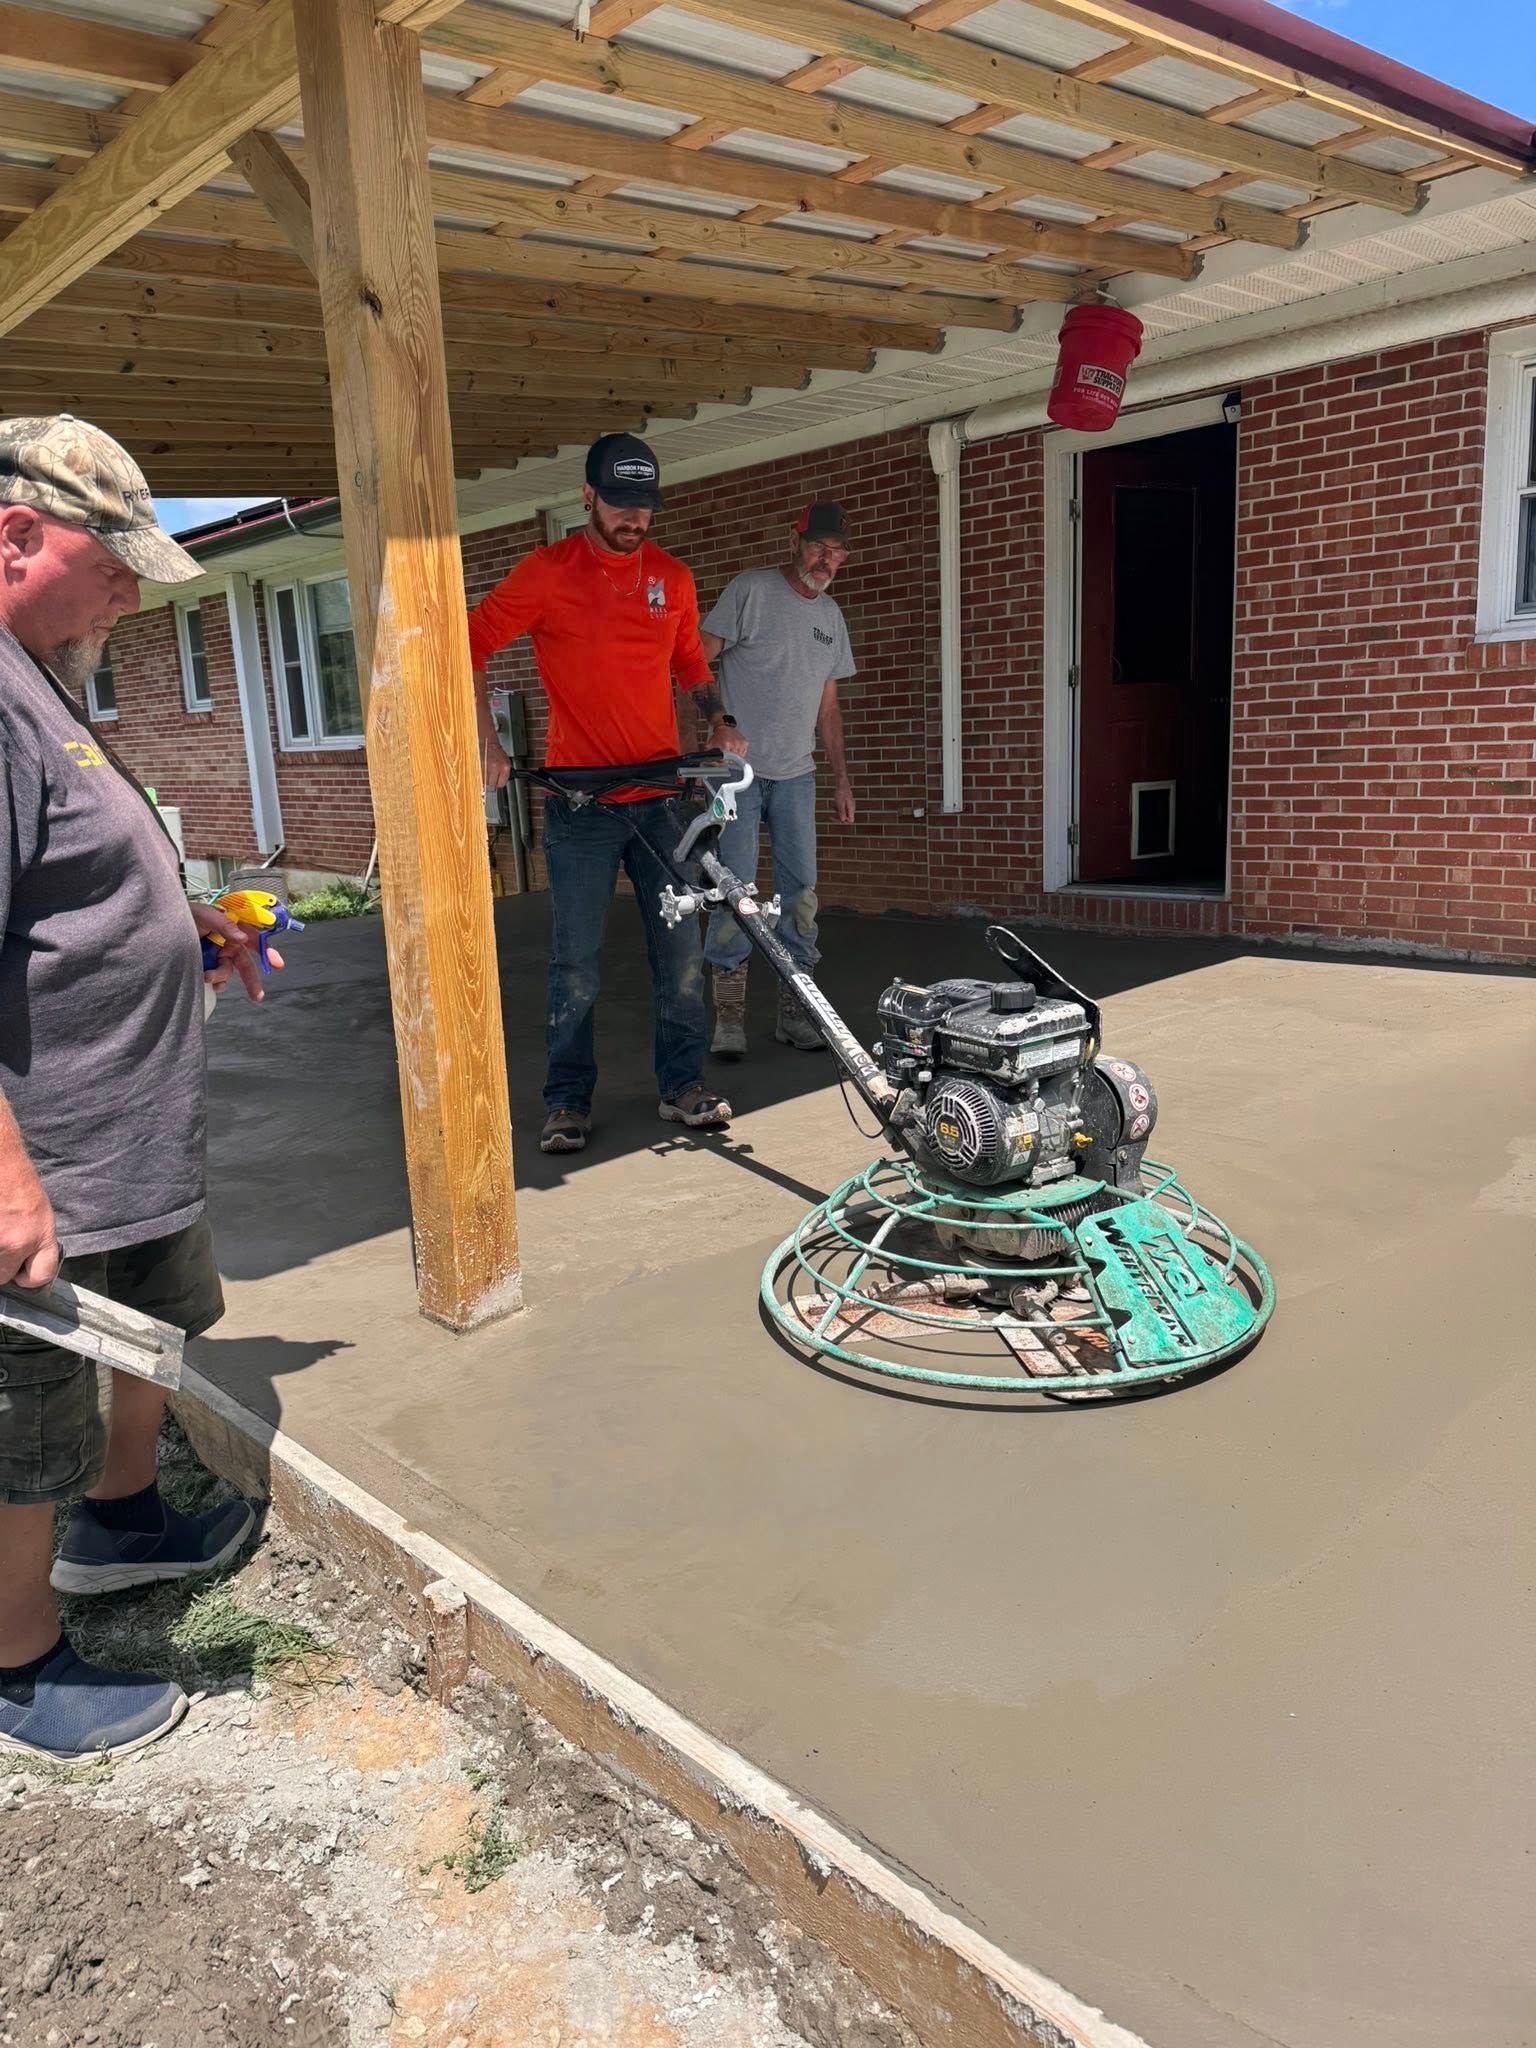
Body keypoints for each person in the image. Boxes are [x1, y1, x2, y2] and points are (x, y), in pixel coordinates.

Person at [0, 415, 266, 1766]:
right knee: (25, 1415)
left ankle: (121, 1527)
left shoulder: (42, 678)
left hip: (130, 1138)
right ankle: (18, 1663)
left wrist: (187, 924)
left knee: (154, 1330)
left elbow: (73, 882)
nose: (131, 592)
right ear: (17, 535)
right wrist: (2, 1179)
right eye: (115, 564)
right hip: (46, 1154)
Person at [468, 433, 745, 1155]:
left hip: (660, 798)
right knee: (576, 963)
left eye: (644, 508)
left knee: (679, 952)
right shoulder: (547, 572)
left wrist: (717, 717)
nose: (634, 520)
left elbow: (689, 661)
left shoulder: (672, 578)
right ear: (587, 496)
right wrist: (486, 740)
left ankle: (682, 1086)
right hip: (581, 806)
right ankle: (566, 1100)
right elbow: (468, 642)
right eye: (620, 505)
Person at [699, 500, 856, 1056]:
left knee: (802, 892)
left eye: (836, 550)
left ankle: (796, 1011)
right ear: (797, 542)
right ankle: (729, 1016)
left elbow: (829, 708)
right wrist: (718, 724)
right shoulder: (752, 590)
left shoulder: (830, 618)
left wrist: (840, 778)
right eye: (818, 546)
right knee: (733, 889)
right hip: (736, 775)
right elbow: (695, 658)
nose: (826, 558)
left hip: (798, 776)